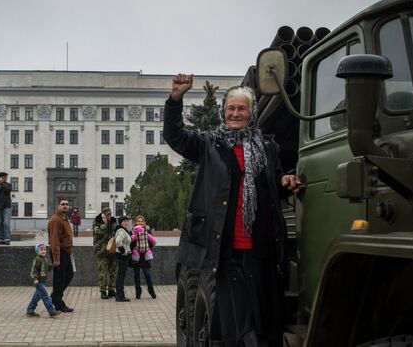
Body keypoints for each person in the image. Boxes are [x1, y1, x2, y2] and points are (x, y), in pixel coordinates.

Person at [164, 74, 301, 346]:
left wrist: (284, 182)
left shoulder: (267, 148)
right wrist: (175, 99)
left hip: (261, 249)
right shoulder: (208, 144)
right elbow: (175, 136)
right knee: (235, 323)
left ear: (252, 113)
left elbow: (271, 186)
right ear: (223, 111)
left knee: (264, 321)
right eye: (231, 108)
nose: (236, 113)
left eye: (242, 108)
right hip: (225, 251)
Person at [48, 198, 74, 312]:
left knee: (69, 275)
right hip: (59, 252)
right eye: (63, 204)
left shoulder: (64, 218)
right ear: (57, 206)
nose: (65, 206)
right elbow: (54, 240)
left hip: (66, 252)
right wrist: (56, 258)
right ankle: (58, 303)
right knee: (59, 278)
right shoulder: (55, 220)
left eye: (67, 204)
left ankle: (54, 297)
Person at [26, 242, 63, 318]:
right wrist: (35, 278)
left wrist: (53, 265)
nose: (43, 251)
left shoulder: (44, 259)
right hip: (38, 282)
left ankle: (30, 310)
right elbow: (34, 270)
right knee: (46, 296)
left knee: (36, 297)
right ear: (37, 251)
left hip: (43, 281)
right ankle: (51, 311)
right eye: (41, 250)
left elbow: (47, 268)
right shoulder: (37, 259)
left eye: (44, 249)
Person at [92, 207, 118, 299]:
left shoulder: (114, 221)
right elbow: (97, 233)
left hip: (112, 250)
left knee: (114, 271)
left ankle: (111, 290)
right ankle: (103, 291)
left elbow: (117, 232)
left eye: (110, 214)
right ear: (103, 215)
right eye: (107, 215)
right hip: (101, 251)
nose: (109, 216)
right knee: (102, 272)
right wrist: (105, 224)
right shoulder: (97, 222)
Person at [130, 215, 157, 299]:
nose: (140, 223)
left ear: (144, 222)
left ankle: (151, 290)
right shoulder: (132, 232)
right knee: (136, 275)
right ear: (136, 222)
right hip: (136, 256)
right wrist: (134, 248)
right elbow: (129, 242)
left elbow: (152, 242)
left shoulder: (147, 231)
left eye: (142, 221)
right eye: (138, 221)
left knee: (147, 274)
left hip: (145, 256)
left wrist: (147, 248)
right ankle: (138, 292)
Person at [114, 215, 132, 302]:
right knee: (121, 276)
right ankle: (119, 296)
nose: (126, 223)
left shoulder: (124, 230)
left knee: (120, 276)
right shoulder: (121, 231)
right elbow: (118, 241)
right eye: (124, 221)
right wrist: (123, 251)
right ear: (120, 222)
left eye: (127, 221)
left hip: (122, 256)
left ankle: (119, 295)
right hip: (122, 256)